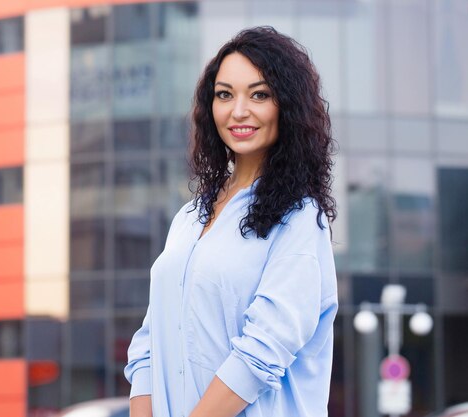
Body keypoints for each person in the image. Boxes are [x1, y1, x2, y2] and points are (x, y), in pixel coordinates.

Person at [124, 26, 338, 417]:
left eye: (259, 94)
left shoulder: (301, 218)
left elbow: (264, 348)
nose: (239, 111)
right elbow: (149, 344)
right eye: (225, 94)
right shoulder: (189, 218)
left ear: (286, 107)